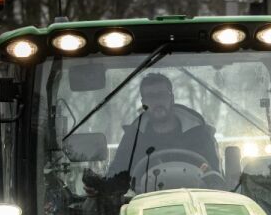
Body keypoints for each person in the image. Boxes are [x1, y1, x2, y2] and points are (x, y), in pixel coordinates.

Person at [84, 72, 220, 195]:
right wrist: (100, 187)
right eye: (150, 96)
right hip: (145, 209)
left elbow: (214, 177)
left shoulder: (198, 134)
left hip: (195, 204)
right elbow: (119, 177)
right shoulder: (133, 138)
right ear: (144, 103)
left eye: (161, 95)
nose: (157, 101)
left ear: (171, 98)